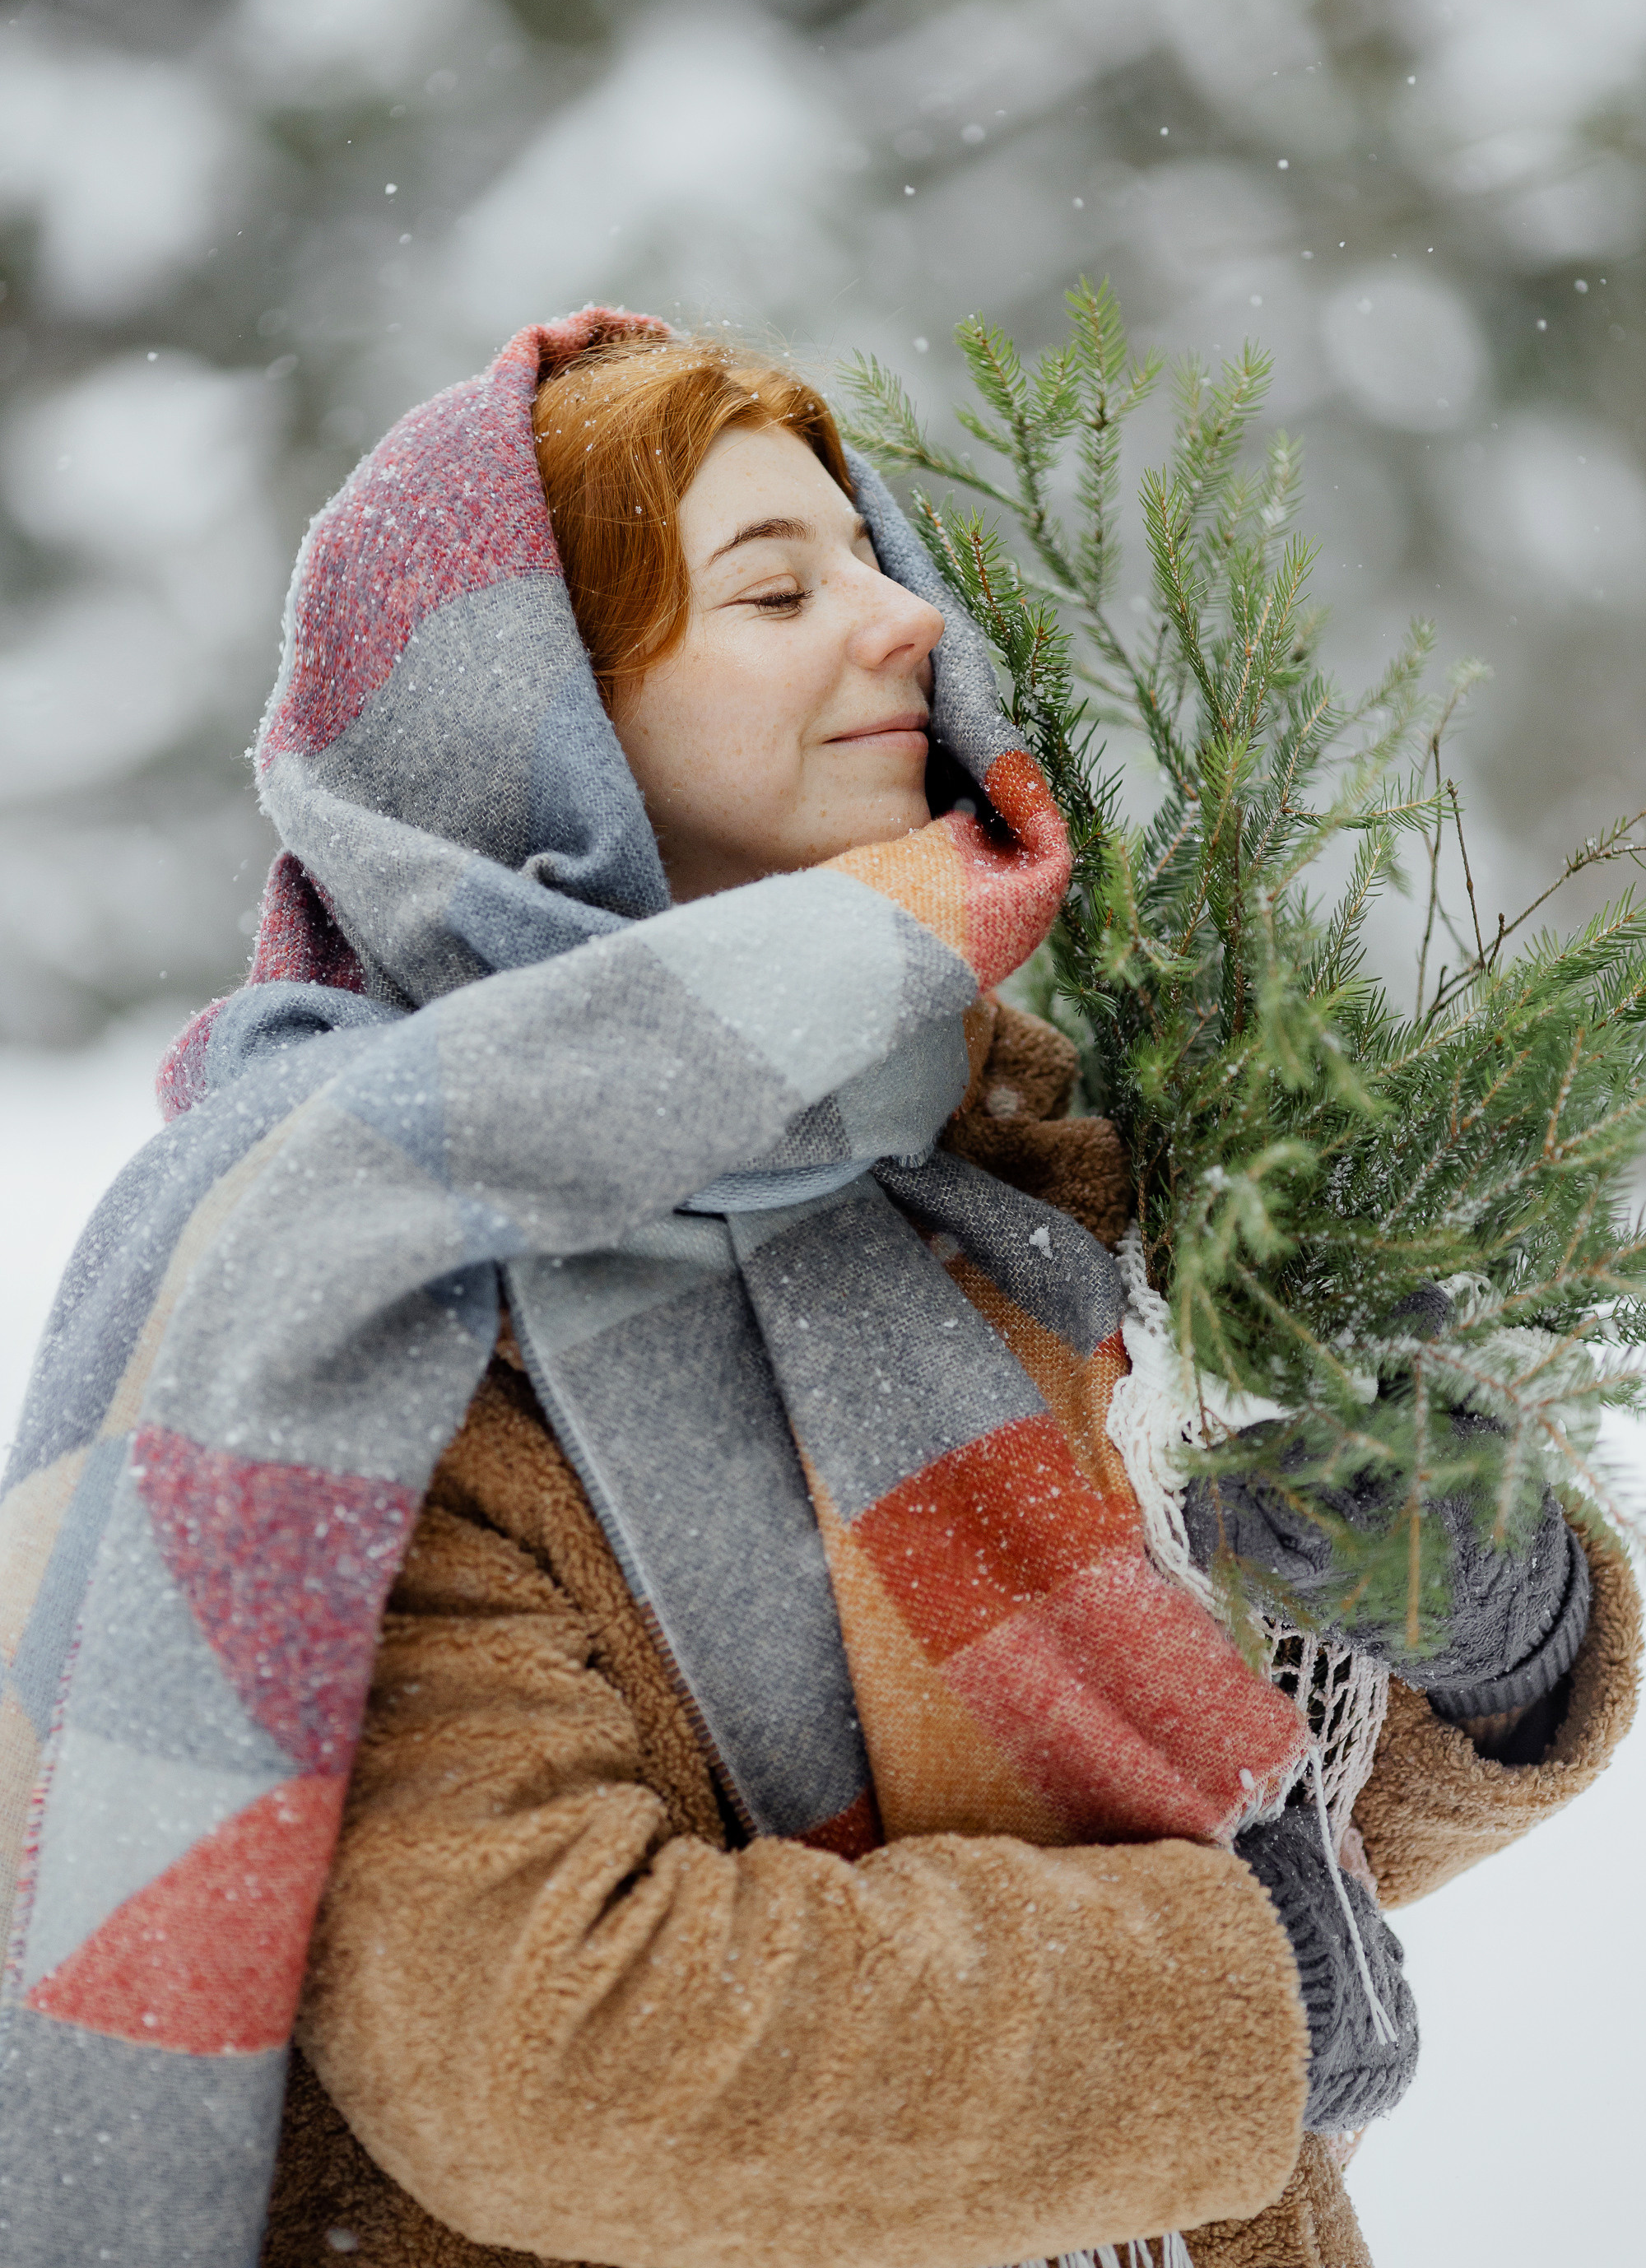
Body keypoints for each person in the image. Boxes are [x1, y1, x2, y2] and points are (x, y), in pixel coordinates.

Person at [0, 312, 1635, 2268]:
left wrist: (1487, 1649)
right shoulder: (361, 1293)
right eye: (780, 585)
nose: (906, 624)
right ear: (538, 734)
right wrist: (1229, 2000)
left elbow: (1192, 1812)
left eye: (873, 558)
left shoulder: (997, 1169)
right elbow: (552, 2044)